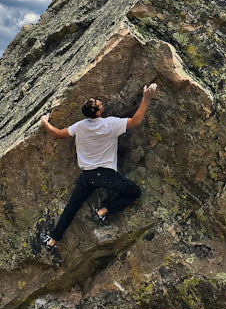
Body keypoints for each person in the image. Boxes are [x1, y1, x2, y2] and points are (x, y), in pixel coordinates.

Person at [38, 83, 158, 251]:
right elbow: (136, 121)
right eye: (99, 104)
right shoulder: (110, 124)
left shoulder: (80, 126)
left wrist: (45, 122)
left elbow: (57, 134)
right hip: (105, 174)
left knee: (71, 208)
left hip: (86, 175)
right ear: (98, 112)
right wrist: (146, 98)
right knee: (134, 191)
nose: (101, 103)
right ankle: (103, 211)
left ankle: (52, 241)